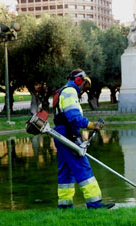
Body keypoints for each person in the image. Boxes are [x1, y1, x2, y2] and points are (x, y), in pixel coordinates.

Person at [53, 69, 115, 209]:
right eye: (83, 84)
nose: (83, 89)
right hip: (68, 135)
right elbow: (74, 118)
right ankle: (95, 204)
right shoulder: (70, 91)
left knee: (65, 171)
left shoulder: (63, 90)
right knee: (82, 167)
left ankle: (64, 206)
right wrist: (91, 125)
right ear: (78, 80)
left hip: (60, 134)